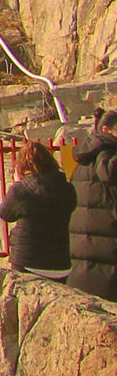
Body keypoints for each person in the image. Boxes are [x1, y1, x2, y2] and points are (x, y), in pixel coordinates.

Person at [0, 142, 77, 278]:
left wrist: (17, 183)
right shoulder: (67, 188)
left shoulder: (20, 190)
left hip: (28, 260)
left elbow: (5, 213)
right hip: (61, 263)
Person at [70, 109, 117, 297]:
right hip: (109, 263)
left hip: (83, 262)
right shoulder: (110, 160)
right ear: (106, 130)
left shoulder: (83, 163)